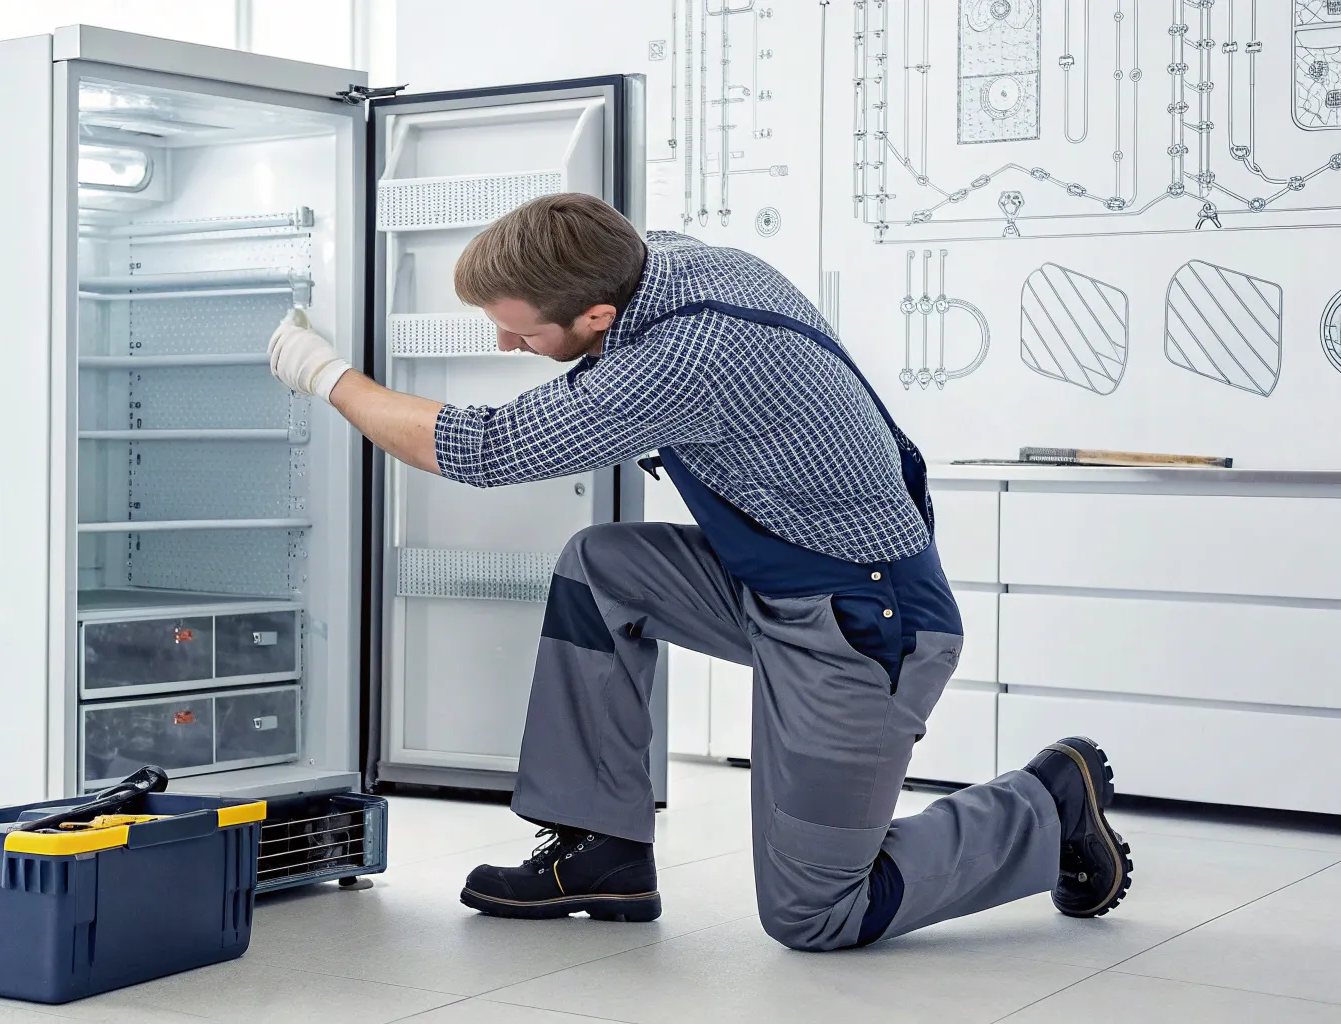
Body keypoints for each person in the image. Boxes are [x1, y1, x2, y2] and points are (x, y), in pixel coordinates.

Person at [265, 193, 1134, 950]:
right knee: (601, 567)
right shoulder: (669, 259)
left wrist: (328, 375)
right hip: (778, 584)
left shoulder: (686, 358)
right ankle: (601, 849)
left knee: (818, 913)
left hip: (867, 625)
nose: (506, 340)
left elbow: (484, 448)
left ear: (598, 318)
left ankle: (1046, 805)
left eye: (519, 328)